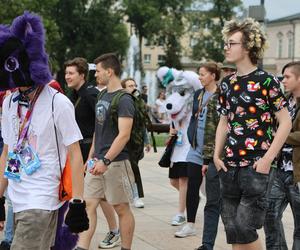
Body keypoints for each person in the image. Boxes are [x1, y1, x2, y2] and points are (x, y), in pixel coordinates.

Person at [0, 11, 89, 250]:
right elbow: (7, 150)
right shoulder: (9, 102)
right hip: (16, 198)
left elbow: (75, 152)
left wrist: (78, 202)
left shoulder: (57, 103)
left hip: (43, 197)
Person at [214, 18, 292, 250]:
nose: (226, 47)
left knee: (245, 228)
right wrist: (217, 157)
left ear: (247, 47)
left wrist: (267, 159)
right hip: (228, 165)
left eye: (232, 43)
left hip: (256, 166)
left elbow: (285, 122)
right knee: (234, 230)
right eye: (226, 43)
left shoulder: (267, 81)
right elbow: (223, 122)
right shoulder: (227, 83)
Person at [76, 53, 135, 250]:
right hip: (96, 161)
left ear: (109, 72)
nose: (96, 75)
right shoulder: (101, 95)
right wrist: (92, 156)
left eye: (99, 71)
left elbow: (124, 135)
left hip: (116, 163)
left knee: (121, 208)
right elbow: (97, 129)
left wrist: (106, 161)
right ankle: (82, 247)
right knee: (88, 205)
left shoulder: (124, 99)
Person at [69, 59, 120, 249]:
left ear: (82, 75)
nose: (67, 76)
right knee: (96, 196)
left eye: (71, 73)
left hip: (90, 150)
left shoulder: (91, 94)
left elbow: (101, 124)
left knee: (95, 196)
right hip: (80, 150)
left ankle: (114, 230)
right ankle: (112, 231)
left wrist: (95, 154)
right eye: (66, 73)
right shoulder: (71, 95)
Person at [175, 62, 221, 250]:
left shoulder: (221, 96)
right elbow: (194, 117)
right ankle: (190, 224)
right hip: (195, 148)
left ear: (213, 75)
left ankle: (221, 222)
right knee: (191, 186)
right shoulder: (198, 95)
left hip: (214, 151)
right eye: (199, 74)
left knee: (215, 193)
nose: (200, 77)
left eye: (203, 74)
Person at [264, 61, 300, 250]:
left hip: (298, 173)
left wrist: (281, 136)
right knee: (269, 216)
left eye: (287, 77)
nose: (283, 80)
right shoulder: (283, 102)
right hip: (279, 170)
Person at [121, 77, 151, 208]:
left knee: (133, 169)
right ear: (123, 88)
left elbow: (142, 124)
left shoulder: (139, 103)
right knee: (126, 170)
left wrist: (147, 141)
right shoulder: (121, 102)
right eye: (129, 86)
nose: (133, 88)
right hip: (123, 141)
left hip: (136, 143)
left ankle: (136, 195)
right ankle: (133, 195)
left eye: (134, 85)